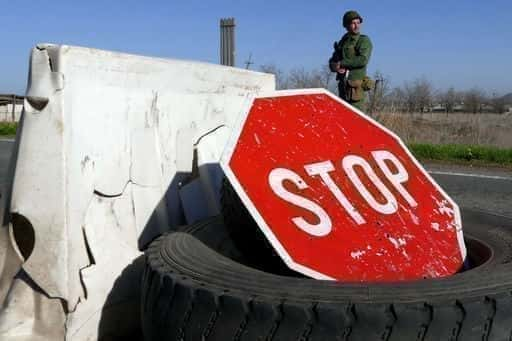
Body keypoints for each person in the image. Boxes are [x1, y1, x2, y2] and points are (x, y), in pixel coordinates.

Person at [329, 10, 373, 110]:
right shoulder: (342, 42)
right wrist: (335, 66)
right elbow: (333, 60)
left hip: (356, 89)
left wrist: (342, 63)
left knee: (357, 119)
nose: (356, 26)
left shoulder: (363, 40)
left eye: (358, 23)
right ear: (346, 25)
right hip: (343, 88)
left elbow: (363, 60)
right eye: (353, 23)